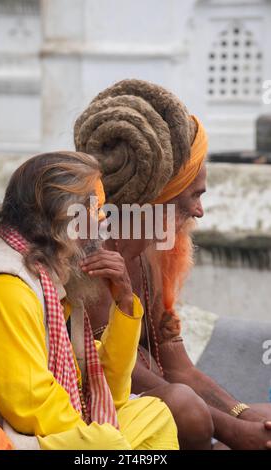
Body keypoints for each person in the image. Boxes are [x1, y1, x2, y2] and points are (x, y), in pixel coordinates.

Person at [74, 79, 271, 450]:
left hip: (163, 399)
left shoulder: (156, 252)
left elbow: (177, 365)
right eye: (193, 196)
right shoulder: (90, 255)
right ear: (158, 199)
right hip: (102, 407)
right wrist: (228, 430)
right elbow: (114, 371)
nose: (199, 210)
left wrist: (243, 415)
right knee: (187, 410)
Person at [0, 151, 178, 450]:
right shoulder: (5, 282)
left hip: (43, 427)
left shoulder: (49, 278)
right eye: (95, 209)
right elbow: (29, 403)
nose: (104, 221)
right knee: (105, 444)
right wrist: (92, 434)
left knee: (153, 415)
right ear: (62, 216)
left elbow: (110, 392)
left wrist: (123, 301)